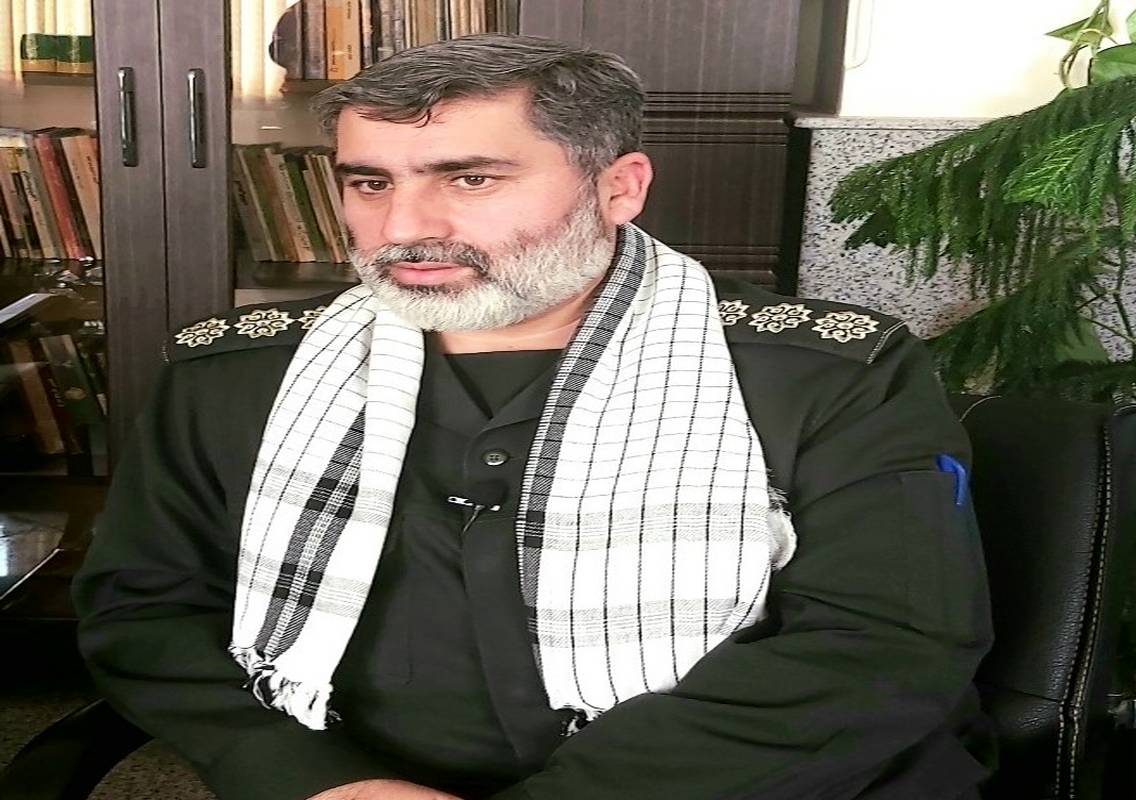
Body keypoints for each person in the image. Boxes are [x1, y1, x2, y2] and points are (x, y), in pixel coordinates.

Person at [73, 34, 995, 800]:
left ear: (619, 187)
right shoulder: (236, 374)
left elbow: (885, 645)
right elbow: (143, 609)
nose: (404, 226)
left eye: (470, 179)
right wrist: (312, 779)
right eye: (369, 183)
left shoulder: (830, 375)